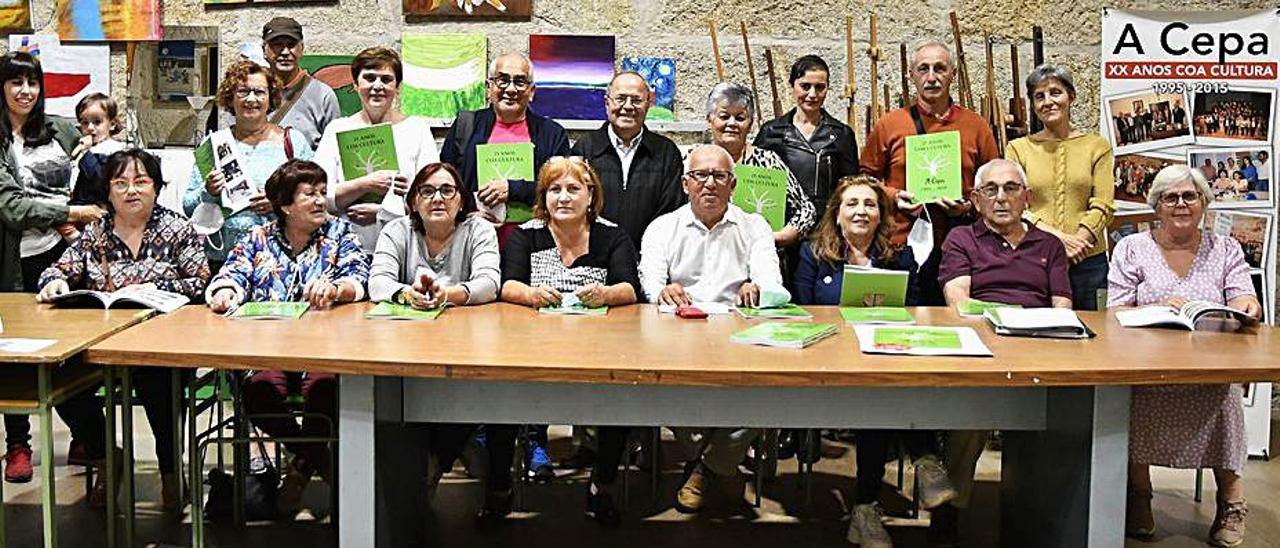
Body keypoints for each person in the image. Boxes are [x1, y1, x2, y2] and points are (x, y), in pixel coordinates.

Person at [37, 149, 209, 509]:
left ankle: (169, 470)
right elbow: (58, 269)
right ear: (109, 191)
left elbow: (200, 282)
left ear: (156, 188)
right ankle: (105, 455)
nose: (132, 191)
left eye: (141, 182)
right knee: (58, 377)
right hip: (99, 341)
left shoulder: (177, 229)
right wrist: (54, 282)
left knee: (158, 381)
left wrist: (150, 291)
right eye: (121, 183)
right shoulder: (95, 232)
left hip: (162, 343)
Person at [792, 175, 953, 547]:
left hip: (885, 355)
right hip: (829, 357)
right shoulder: (813, 253)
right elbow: (802, 309)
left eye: (870, 204)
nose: (861, 211)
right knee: (878, 397)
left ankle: (865, 509)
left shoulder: (900, 256)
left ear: (882, 216)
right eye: (852, 204)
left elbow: (912, 308)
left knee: (879, 392)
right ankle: (923, 457)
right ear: (837, 213)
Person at [205, 159, 369, 515]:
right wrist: (226, 292)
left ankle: (297, 472)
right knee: (258, 391)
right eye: (309, 194)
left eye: (323, 193)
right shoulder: (257, 238)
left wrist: (337, 287)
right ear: (284, 205)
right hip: (268, 348)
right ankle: (322, 464)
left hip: (323, 350)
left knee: (325, 390)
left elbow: (361, 279)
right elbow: (229, 275)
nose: (320, 201)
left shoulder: (339, 234)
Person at [1108, 165, 1259, 547]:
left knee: (1224, 398)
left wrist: (1246, 304)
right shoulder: (1132, 247)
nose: (1180, 204)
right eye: (1170, 197)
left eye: (1189, 196)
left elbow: (1243, 296)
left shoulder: (1225, 247)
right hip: (1146, 364)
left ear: (1204, 203)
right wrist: (1158, 304)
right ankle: (1139, 497)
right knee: (1130, 398)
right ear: (1156, 205)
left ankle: (1231, 503)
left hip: (1208, 364)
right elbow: (1115, 310)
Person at [639, 145, 788, 513]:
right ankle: (721, 465)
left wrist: (759, 289)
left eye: (719, 176)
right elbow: (650, 283)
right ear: (685, 183)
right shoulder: (663, 227)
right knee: (666, 394)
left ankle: (706, 466)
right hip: (679, 336)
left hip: (740, 334)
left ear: (733, 184)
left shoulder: (754, 226)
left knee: (765, 394)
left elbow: (772, 281)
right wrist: (663, 290)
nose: (709, 184)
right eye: (700, 175)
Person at [499, 156, 641, 527]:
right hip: (532, 349)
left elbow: (630, 289)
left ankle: (602, 484)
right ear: (542, 197)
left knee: (621, 398)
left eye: (573, 189)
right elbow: (508, 285)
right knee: (497, 396)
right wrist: (529, 295)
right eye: (554, 190)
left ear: (590, 195)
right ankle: (498, 488)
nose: (563, 197)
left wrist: (605, 294)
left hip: (598, 349)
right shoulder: (525, 235)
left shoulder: (613, 235)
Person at [936, 158, 1071, 545]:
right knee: (971, 419)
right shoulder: (961, 239)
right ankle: (952, 508)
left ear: (1026, 197)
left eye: (1011, 188)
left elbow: (1062, 305)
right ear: (976, 200)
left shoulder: (1050, 245)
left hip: (1040, 348)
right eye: (990, 190)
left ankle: (1046, 510)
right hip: (982, 345)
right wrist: (1003, 323)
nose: (1001, 198)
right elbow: (958, 300)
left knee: (1061, 418)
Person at [0, 51, 106, 483]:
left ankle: (85, 434)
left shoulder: (60, 129)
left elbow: (95, 168)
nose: (25, 91)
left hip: (61, 253)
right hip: (12, 259)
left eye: (32, 82)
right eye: (15, 82)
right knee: (15, 353)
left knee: (74, 349)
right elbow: (9, 206)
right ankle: (18, 445)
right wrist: (72, 213)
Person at [860, 39, 1000, 306]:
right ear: (911, 75)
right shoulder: (891, 124)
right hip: (900, 244)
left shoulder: (976, 126)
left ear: (953, 75)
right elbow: (864, 179)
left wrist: (969, 205)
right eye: (923, 69)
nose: (932, 77)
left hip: (960, 247)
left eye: (940, 68)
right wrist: (893, 195)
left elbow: (993, 184)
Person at [185, 60, 314, 273]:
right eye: (243, 91)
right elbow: (189, 205)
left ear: (270, 98)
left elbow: (315, 197)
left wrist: (279, 203)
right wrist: (208, 192)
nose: (251, 99)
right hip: (223, 260)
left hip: (281, 258)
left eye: (259, 92)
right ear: (231, 97)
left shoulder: (293, 142)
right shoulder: (214, 144)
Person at [1005, 65, 1115, 311]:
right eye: (1039, 96)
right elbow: (1016, 206)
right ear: (1033, 105)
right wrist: (1060, 241)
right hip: (1035, 256)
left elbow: (1103, 205)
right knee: (1037, 336)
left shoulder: (1097, 147)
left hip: (1088, 259)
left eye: (1056, 92)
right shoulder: (1018, 149)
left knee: (1092, 335)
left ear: (1071, 97)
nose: (1048, 102)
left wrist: (1078, 244)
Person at [314, 47, 438, 252]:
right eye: (369, 78)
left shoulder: (417, 129)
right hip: (344, 247)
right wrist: (365, 184)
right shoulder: (337, 129)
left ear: (397, 87)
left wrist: (383, 211)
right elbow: (319, 195)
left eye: (386, 79)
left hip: (404, 246)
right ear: (355, 84)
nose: (377, 86)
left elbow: (431, 196)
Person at [442, 52, 570, 243]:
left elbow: (563, 191)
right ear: (488, 87)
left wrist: (514, 189)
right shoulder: (465, 126)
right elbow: (443, 186)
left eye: (520, 82)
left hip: (535, 247)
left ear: (532, 91)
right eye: (502, 80)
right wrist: (464, 216)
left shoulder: (552, 134)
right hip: (471, 243)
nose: (511, 89)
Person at [568, 71, 684, 248]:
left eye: (637, 100)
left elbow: (671, 213)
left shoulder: (667, 153)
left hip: (650, 258)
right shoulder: (584, 149)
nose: (628, 106)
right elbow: (575, 206)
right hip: (594, 257)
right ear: (607, 103)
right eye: (621, 99)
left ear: (648, 104)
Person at [706, 82, 816, 249]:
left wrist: (782, 236)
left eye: (740, 118)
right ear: (709, 120)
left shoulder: (768, 161)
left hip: (759, 258)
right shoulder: (694, 160)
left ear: (750, 124)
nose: (732, 123)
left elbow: (806, 210)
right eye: (724, 116)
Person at [753, 55, 858, 218]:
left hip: (825, 227)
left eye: (819, 87)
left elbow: (850, 187)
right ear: (792, 87)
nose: (812, 94)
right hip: (783, 224)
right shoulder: (771, 132)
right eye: (805, 86)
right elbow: (755, 182)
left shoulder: (841, 135)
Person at [259, 16, 341, 150]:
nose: (285, 52)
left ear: (301, 49)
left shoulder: (323, 95)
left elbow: (335, 150)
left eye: (291, 45)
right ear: (264, 50)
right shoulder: (252, 93)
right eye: (277, 45)